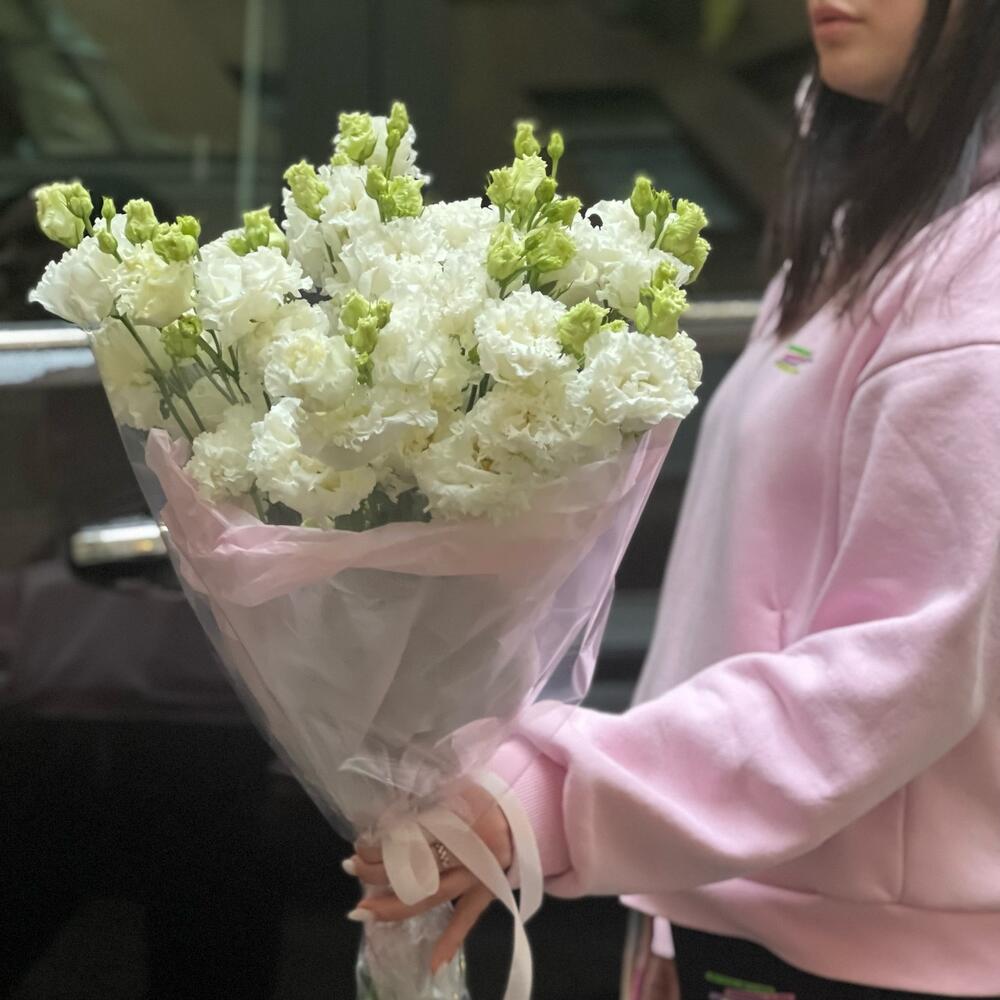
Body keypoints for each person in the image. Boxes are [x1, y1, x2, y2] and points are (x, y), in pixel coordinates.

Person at [347, 1, 1000, 996]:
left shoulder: (974, 280)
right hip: (763, 914)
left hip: (874, 954)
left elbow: (901, 662)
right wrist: (663, 900)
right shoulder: (879, 229)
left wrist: (555, 798)